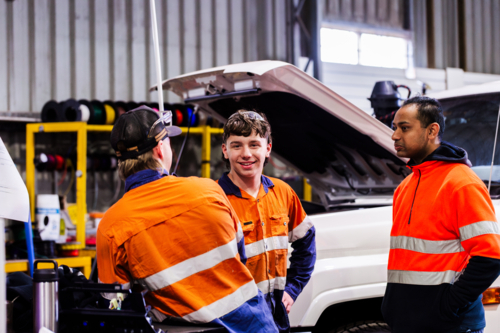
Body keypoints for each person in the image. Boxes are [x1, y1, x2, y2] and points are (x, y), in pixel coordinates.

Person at [97, 106, 277, 333]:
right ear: (160, 149)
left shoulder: (111, 226)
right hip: (253, 325)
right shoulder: (209, 190)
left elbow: (115, 306)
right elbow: (240, 258)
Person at [382, 96, 500, 333]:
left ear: (431, 130)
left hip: (449, 325)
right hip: (410, 321)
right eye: (395, 128)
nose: (395, 135)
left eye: (404, 128)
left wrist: (448, 306)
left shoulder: (461, 182)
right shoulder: (405, 187)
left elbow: (491, 256)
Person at [217, 110, 316, 333]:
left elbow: (306, 240)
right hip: (235, 320)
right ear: (225, 150)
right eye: (236, 145)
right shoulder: (215, 199)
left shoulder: (283, 192)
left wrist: (292, 289)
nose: (246, 153)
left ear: (268, 148)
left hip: (276, 316)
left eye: (254, 144)